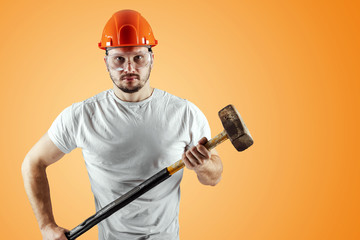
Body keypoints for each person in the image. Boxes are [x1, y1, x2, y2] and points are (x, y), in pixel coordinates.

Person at [21, 9, 223, 240]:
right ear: (106, 61)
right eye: (119, 59)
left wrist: (202, 166)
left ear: (152, 59)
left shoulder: (184, 113)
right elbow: (32, 163)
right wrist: (46, 226)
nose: (129, 68)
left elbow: (214, 177)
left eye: (138, 57)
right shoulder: (81, 116)